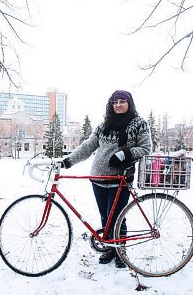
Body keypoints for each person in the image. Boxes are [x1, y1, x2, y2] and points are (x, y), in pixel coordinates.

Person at [59, 90, 151, 268]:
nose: (118, 105)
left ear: (129, 103)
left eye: (122, 101)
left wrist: (125, 154)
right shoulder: (104, 125)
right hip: (98, 179)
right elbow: (88, 146)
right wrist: (68, 161)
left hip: (120, 179)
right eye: (114, 102)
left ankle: (120, 250)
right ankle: (109, 247)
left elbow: (146, 149)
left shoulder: (139, 124)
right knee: (105, 217)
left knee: (116, 217)